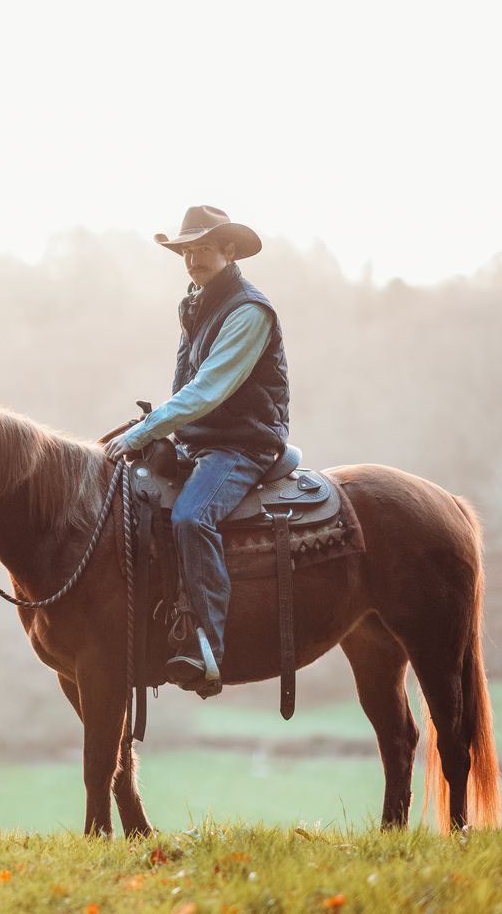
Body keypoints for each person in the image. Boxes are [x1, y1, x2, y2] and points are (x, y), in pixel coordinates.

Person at [103, 205, 290, 697]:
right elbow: (185, 385)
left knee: (191, 516)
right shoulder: (195, 303)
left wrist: (146, 430)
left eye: (202, 249)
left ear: (229, 251)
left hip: (244, 443)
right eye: (186, 251)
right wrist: (163, 434)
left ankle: (207, 644)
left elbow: (208, 389)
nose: (192, 260)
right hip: (201, 441)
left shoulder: (249, 311)